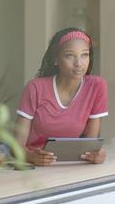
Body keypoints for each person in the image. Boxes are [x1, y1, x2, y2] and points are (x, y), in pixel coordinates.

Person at [14, 27, 108, 166]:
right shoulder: (35, 88)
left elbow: (90, 143)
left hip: (71, 167)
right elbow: (15, 146)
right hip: (33, 168)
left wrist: (95, 154)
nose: (79, 63)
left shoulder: (96, 86)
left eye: (84, 55)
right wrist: (32, 157)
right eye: (70, 55)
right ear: (56, 59)